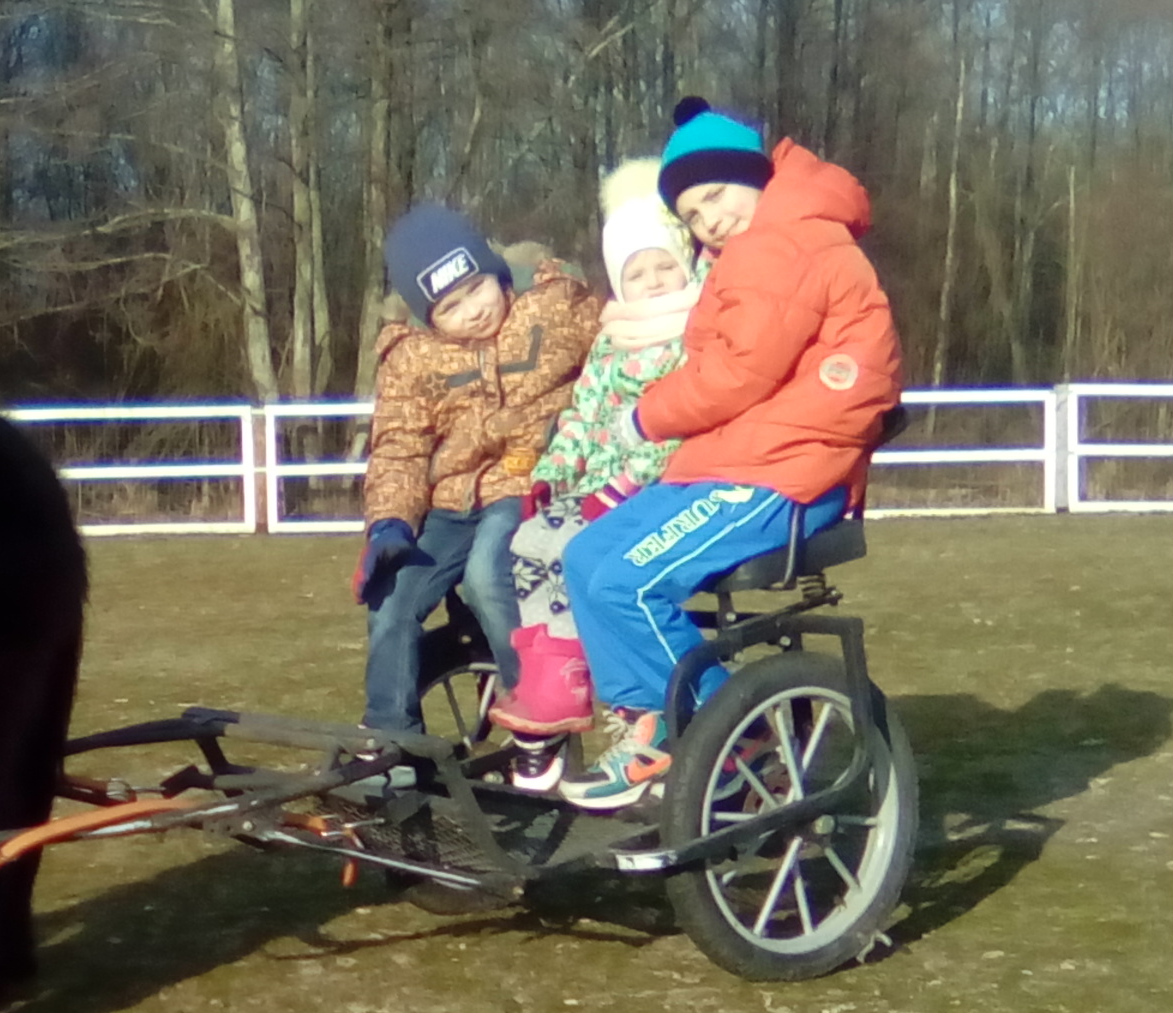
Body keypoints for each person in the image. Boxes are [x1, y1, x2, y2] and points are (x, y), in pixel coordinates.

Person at [554, 98, 903, 812]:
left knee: (623, 580)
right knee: (587, 556)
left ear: (754, 175)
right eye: (691, 214)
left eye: (714, 195)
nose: (708, 220)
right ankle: (651, 720)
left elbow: (741, 371)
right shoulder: (758, 248)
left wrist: (644, 417)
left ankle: (731, 733)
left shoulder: (787, 243)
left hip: (783, 474)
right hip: (738, 460)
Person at [488, 157, 699, 792]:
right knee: (529, 541)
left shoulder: (696, 331)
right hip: (595, 486)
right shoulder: (615, 339)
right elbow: (582, 414)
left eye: (667, 265)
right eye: (640, 272)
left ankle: (610, 692)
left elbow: (680, 425)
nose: (657, 281)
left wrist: (623, 484)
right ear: (619, 282)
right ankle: (553, 674)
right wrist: (551, 473)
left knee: (582, 554)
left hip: (654, 485)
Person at [355, 204, 596, 735]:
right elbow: (399, 446)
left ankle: (537, 706)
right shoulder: (411, 358)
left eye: (477, 288)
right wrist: (390, 522)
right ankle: (390, 735)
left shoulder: (552, 307)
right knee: (392, 594)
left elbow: (617, 355)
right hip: (451, 502)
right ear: (425, 317)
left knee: (491, 572)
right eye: (451, 307)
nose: (474, 311)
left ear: (494, 269)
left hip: (528, 481)